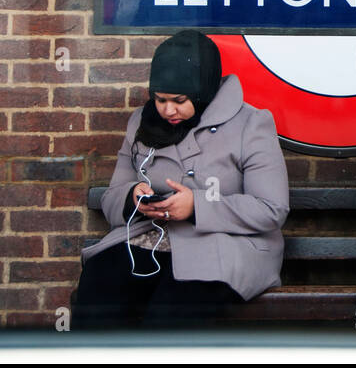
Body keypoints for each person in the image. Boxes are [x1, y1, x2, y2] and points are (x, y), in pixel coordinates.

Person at [74, 30, 289, 327]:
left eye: (179, 100)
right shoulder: (141, 121)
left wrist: (196, 207)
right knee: (98, 289)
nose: (168, 110)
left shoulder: (251, 123)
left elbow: (271, 208)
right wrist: (133, 197)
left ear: (203, 90)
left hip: (223, 246)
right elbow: (112, 199)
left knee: (172, 313)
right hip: (148, 237)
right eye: (160, 99)